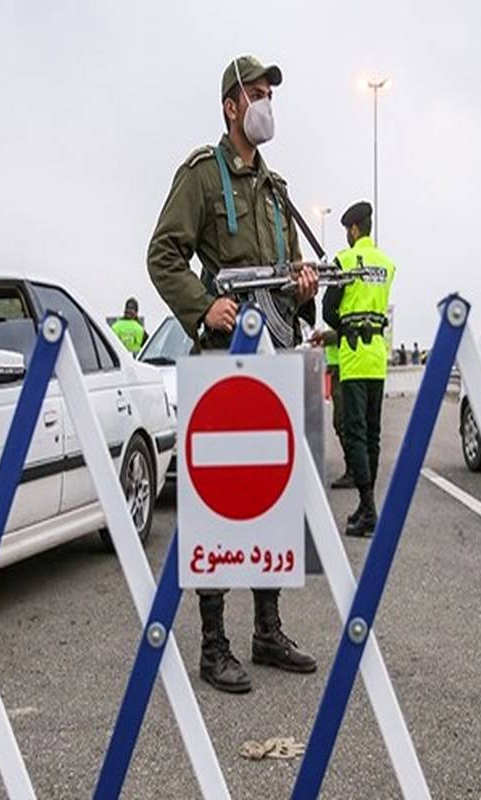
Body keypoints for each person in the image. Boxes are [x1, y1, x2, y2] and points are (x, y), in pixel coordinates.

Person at [146, 54, 318, 693]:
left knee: (273, 498)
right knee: (218, 507)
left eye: (271, 93)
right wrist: (203, 307)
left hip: (272, 361)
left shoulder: (277, 191)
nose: (267, 103)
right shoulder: (201, 175)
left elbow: (291, 274)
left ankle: (267, 631)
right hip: (221, 363)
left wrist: (303, 287)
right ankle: (213, 644)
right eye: (257, 93)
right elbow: (163, 254)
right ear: (231, 106)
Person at [322, 201, 396, 537]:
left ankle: (368, 507)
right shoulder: (386, 264)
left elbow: (328, 310)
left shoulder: (345, 261)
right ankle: (367, 506)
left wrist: (344, 325)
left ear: (353, 229)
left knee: (354, 432)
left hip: (352, 357)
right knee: (372, 433)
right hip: (377, 356)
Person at [310, 328, 353, 487]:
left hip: (344, 372)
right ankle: (354, 468)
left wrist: (323, 336)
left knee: (343, 422)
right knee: (341, 423)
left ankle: (354, 470)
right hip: (337, 372)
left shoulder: (342, 322)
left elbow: (341, 333)